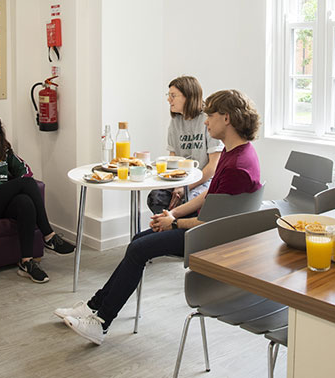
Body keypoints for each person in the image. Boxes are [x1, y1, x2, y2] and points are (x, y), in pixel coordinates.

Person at [56, 89, 261, 345]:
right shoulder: (235, 153)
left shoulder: (237, 166)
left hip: (210, 237)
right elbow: (208, 196)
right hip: (205, 228)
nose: (206, 122)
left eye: (210, 116)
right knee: (138, 241)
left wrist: (173, 223)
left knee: (139, 248)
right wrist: (172, 213)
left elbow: (215, 222)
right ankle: (94, 307)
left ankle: (102, 322)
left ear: (227, 118)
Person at [0, 110, 74, 284]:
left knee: (25, 202)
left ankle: (26, 262)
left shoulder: (3, 151)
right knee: (26, 184)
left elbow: (25, 171)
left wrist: (8, 188)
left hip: (0, 203)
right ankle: (49, 235)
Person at [146, 76, 223, 216]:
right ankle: (168, 226)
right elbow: (173, 159)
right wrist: (174, 184)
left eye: (173, 95)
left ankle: (175, 226)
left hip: (204, 180)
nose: (168, 99)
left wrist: (186, 187)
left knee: (189, 202)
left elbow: (213, 167)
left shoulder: (208, 119)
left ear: (189, 96)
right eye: (168, 95)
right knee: (155, 198)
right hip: (181, 180)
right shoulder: (175, 121)